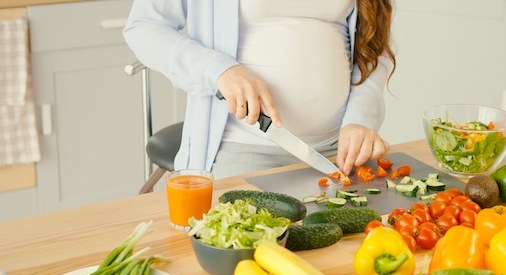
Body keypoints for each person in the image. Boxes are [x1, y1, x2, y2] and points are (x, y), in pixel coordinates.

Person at [123, 0, 396, 179]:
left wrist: (361, 119)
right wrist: (218, 69)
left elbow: (373, 49)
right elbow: (143, 27)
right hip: (241, 147)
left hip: (338, 153)